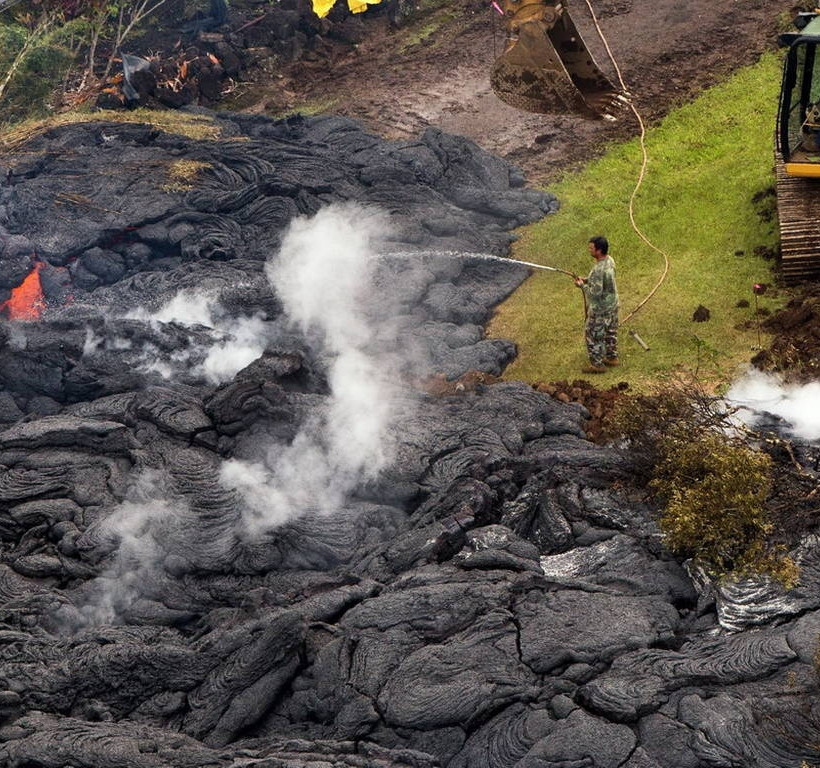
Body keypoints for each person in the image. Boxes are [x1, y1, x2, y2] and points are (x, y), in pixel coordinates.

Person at [574, 235, 619, 373]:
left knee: (592, 333)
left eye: (591, 248)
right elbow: (602, 281)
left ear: (599, 250)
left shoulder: (598, 270)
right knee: (610, 331)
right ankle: (612, 358)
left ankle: (597, 365)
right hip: (613, 304)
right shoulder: (609, 260)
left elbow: (595, 294)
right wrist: (587, 280)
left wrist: (582, 285)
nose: (589, 250)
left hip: (600, 308)